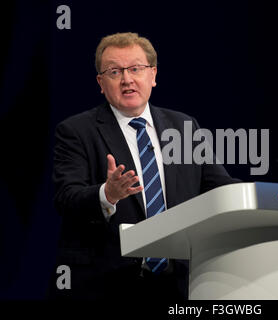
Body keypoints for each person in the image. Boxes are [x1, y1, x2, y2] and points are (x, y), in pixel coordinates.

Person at [50, 32, 239, 300]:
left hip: (176, 284)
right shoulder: (76, 131)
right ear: (101, 83)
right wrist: (107, 194)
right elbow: (65, 199)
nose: (127, 79)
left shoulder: (184, 127)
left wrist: (273, 197)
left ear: (153, 75)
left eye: (136, 69)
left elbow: (219, 187)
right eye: (114, 71)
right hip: (106, 285)